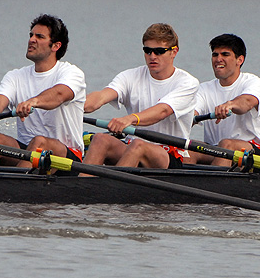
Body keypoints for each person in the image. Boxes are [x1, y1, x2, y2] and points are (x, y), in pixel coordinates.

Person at [83, 23, 199, 169]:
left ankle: (113, 188)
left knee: (139, 145)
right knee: (100, 139)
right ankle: (82, 185)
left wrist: (130, 119)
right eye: (148, 51)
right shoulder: (130, 76)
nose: (152, 56)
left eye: (159, 51)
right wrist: (77, 105)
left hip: (169, 155)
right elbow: (101, 96)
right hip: (132, 147)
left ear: (174, 52)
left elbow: (162, 111)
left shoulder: (188, 83)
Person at [0, 14, 85, 167]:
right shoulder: (15, 76)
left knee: (40, 142)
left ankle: (16, 187)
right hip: (27, 151)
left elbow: (59, 94)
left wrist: (33, 102)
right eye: (31, 35)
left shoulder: (71, 73)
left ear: (56, 46)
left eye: (39, 36)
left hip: (67, 158)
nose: (32, 40)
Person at [188, 33, 260, 166]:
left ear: (240, 60)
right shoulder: (203, 89)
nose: (218, 59)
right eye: (215, 55)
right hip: (217, 149)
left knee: (227, 144)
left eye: (225, 54)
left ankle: (211, 185)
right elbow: (192, 113)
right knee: (187, 149)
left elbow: (247, 102)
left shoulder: (254, 82)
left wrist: (230, 105)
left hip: (256, 153)